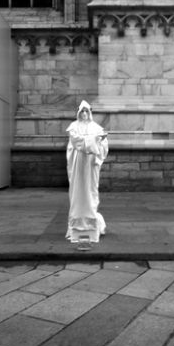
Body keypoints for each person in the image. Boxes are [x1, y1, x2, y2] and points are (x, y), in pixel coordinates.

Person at [65, 100, 108, 244]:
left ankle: (90, 221)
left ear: (90, 113)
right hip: (78, 164)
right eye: (82, 111)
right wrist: (93, 140)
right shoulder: (74, 127)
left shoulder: (96, 127)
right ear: (79, 113)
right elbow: (76, 142)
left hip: (90, 165)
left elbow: (103, 146)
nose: (84, 114)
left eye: (86, 111)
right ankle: (77, 223)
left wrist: (99, 140)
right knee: (78, 192)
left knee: (91, 191)